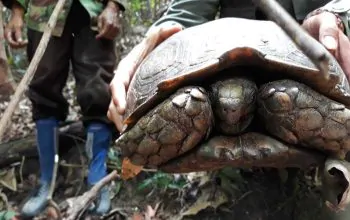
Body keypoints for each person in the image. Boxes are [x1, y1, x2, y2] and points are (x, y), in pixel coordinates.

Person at [107, 0, 350, 133]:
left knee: (287, 100)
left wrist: (337, 16)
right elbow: (182, 16)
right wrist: (151, 44)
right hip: (226, 63)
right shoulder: (204, 103)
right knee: (188, 105)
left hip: (311, 63)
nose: (231, 114)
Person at [2, 0, 126, 217]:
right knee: (43, 88)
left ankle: (97, 180)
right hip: (44, 11)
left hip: (93, 10)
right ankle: (46, 182)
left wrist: (115, 4)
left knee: (97, 90)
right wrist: (17, 9)